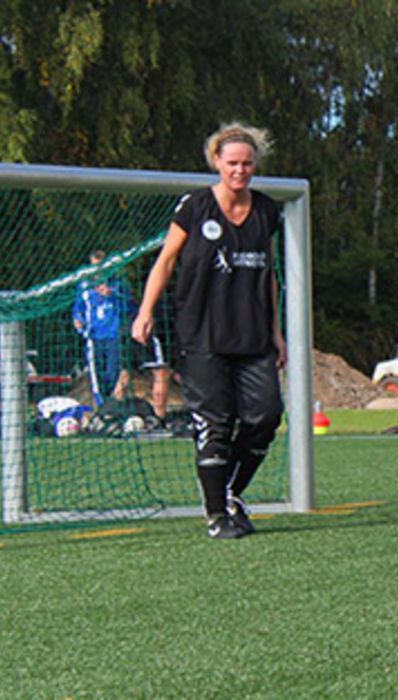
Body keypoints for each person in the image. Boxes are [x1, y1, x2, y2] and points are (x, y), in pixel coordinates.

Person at [132, 122, 286, 540]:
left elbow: (269, 274)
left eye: (247, 164)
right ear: (217, 162)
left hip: (253, 336)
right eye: (232, 163)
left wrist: (277, 332)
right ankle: (216, 515)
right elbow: (165, 261)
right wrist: (145, 310)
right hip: (203, 336)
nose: (240, 171)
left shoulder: (268, 211)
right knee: (216, 424)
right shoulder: (195, 207)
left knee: (266, 416)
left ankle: (231, 492)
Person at [72, 251, 133, 407]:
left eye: (101, 265)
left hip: (113, 334)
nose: (97, 270)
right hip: (93, 335)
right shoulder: (84, 285)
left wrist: (112, 294)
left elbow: (130, 306)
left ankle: (112, 404)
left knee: (113, 372)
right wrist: (77, 319)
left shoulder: (118, 283)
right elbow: (78, 306)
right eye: (94, 266)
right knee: (96, 373)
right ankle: (101, 405)